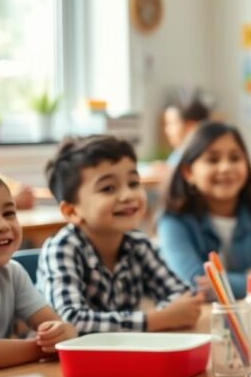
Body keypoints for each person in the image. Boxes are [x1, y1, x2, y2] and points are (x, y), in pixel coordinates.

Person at [37, 136, 203, 333]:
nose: (128, 195)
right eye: (108, 188)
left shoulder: (138, 244)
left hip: (122, 354)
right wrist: (157, 319)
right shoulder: (62, 248)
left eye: (133, 183)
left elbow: (183, 297)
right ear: (72, 211)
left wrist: (174, 312)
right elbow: (70, 322)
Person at [158, 121, 251, 299]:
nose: (226, 167)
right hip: (207, 322)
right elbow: (197, 285)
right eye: (212, 160)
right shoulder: (173, 221)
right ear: (188, 172)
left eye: (235, 158)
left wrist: (223, 283)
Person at [0, 168, 76, 370]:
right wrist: (48, 347)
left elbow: (59, 327)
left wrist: (61, 333)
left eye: (9, 213)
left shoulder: (12, 273)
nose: (3, 225)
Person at [163, 93, 211, 168]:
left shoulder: (201, 156)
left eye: (171, 123)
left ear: (191, 127)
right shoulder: (179, 151)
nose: (167, 130)